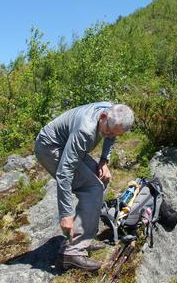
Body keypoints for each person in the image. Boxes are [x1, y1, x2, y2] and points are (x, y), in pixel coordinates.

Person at [34, 101, 134, 271]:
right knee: (92, 188)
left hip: (66, 142)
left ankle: (84, 237)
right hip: (50, 147)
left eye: (115, 134)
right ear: (103, 117)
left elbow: (111, 136)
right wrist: (65, 214)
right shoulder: (85, 130)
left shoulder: (110, 111)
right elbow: (65, 172)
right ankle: (71, 253)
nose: (109, 136)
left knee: (101, 179)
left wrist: (104, 160)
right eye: (108, 132)